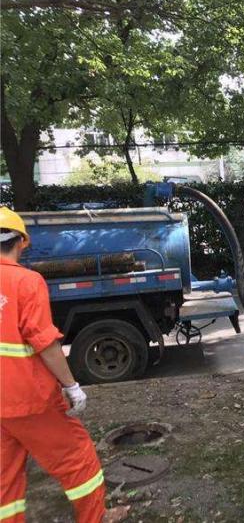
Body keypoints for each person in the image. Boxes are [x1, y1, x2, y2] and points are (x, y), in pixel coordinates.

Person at [0, 207, 120, 523]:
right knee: (78, 460)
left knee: (5, 482)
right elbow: (44, 342)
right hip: (28, 401)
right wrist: (71, 386)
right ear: (21, 242)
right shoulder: (26, 281)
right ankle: (94, 518)